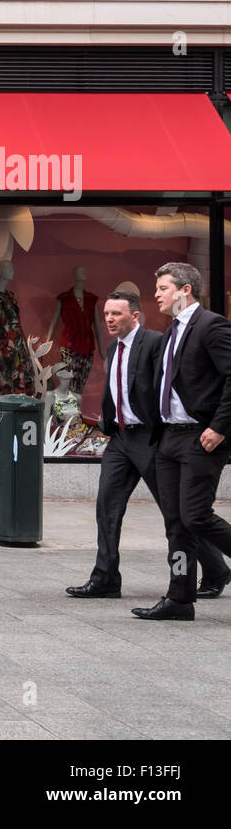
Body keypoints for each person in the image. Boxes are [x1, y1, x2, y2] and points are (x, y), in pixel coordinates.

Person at [66, 291, 229, 600]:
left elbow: (167, 385)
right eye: (107, 314)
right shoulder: (113, 348)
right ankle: (105, 578)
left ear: (135, 316)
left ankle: (215, 568)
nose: (110, 319)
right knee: (106, 507)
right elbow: (118, 389)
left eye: (117, 314)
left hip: (151, 438)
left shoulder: (156, 343)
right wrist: (107, 421)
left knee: (179, 513)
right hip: (120, 439)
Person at [134, 262, 231, 621]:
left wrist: (219, 427)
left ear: (184, 290)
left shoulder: (212, 326)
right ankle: (179, 598)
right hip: (169, 438)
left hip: (200, 437)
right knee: (175, 523)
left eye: (162, 288)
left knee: (196, 516)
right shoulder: (172, 331)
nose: (156, 294)